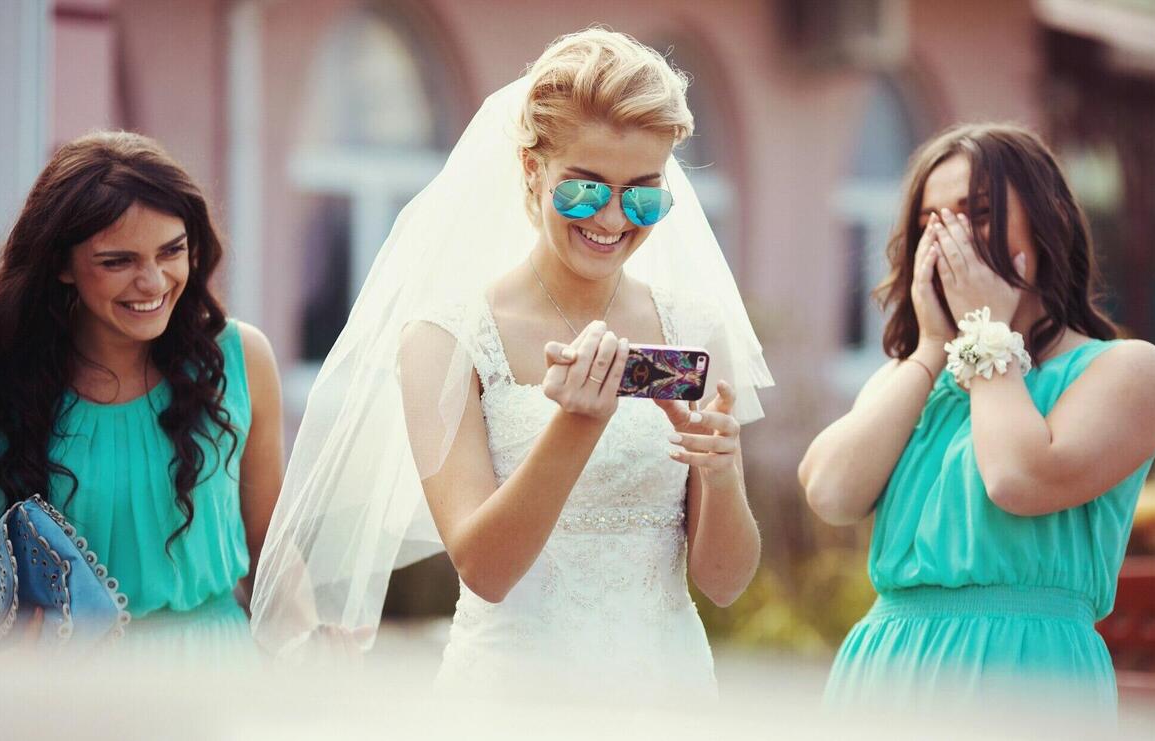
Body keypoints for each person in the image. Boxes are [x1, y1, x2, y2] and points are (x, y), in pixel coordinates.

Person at [250, 28, 774, 702]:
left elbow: (726, 583)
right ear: (532, 168)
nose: (613, 218)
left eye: (643, 195)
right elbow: (485, 568)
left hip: (668, 690)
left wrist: (722, 474)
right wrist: (576, 424)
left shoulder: (693, 327)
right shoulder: (446, 336)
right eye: (586, 190)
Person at [799, 123, 1155, 714]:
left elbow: (1018, 478)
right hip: (885, 675)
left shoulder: (1126, 370)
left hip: (1027, 677)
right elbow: (831, 493)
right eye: (930, 223)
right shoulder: (910, 378)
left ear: (1048, 225)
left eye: (980, 213)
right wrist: (928, 351)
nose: (950, 238)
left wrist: (988, 334)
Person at [0, 131, 285, 661]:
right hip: (56, 698)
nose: (153, 281)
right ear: (62, 265)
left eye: (171, 251)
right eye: (119, 261)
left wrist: (309, 635)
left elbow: (270, 543)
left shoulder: (241, 359)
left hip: (217, 679)